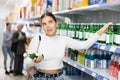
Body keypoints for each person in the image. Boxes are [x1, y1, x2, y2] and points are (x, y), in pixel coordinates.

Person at [25, 12, 112, 80]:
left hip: (59, 77)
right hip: (41, 77)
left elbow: (84, 45)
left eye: (50, 22)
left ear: (56, 23)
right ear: (42, 27)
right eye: (44, 24)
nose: (48, 26)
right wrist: (34, 61)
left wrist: (101, 31)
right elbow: (27, 62)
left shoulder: (64, 39)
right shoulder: (38, 38)